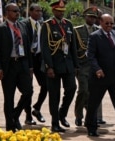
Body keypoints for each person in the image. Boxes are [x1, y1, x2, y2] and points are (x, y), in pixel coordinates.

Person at [85, 13, 115, 138]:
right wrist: (97, 69)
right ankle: (91, 126)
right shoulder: (94, 36)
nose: (109, 26)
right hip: (100, 77)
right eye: (107, 23)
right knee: (94, 103)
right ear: (101, 23)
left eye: (111, 23)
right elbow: (90, 56)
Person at [0, 3, 33, 132]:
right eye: (14, 11)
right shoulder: (0, 28)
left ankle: (14, 116)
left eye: (18, 10)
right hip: (8, 66)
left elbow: (27, 46)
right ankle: (10, 126)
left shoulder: (23, 26)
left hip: (22, 64)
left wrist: (30, 66)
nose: (17, 13)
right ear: (7, 12)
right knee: (9, 98)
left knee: (28, 92)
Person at [40, 0, 79, 132]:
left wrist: (76, 65)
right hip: (54, 66)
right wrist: (48, 67)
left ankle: (62, 114)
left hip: (67, 65)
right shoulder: (47, 25)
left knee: (72, 89)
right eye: (58, 11)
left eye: (63, 11)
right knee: (54, 95)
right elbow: (45, 48)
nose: (61, 13)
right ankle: (55, 122)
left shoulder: (68, 24)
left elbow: (73, 46)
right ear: (53, 11)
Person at [74, 6, 105, 126]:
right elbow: (74, 50)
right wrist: (75, 66)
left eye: (94, 17)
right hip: (82, 65)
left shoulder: (99, 30)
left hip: (95, 67)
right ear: (85, 17)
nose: (92, 19)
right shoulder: (77, 30)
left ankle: (91, 117)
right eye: (90, 17)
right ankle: (79, 115)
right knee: (83, 91)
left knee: (93, 93)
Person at [21, 3, 46, 125]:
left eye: (40, 11)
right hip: (28, 59)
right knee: (28, 89)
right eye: (37, 11)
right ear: (30, 12)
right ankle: (28, 115)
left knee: (46, 85)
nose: (39, 13)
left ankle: (37, 108)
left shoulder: (42, 24)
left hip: (39, 59)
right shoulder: (24, 24)